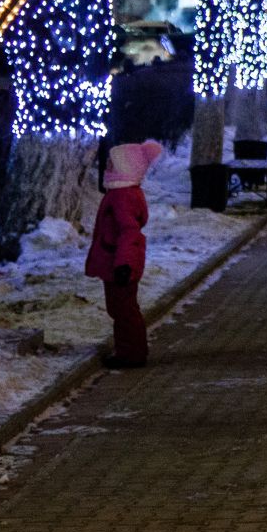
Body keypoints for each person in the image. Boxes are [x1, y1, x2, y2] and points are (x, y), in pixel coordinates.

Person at [86, 140, 163, 368]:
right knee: (120, 309)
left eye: (112, 164)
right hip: (116, 262)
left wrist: (124, 265)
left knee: (124, 310)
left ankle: (131, 354)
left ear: (125, 169)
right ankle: (128, 350)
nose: (107, 167)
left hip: (119, 265)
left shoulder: (123, 197)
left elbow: (129, 234)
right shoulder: (120, 193)